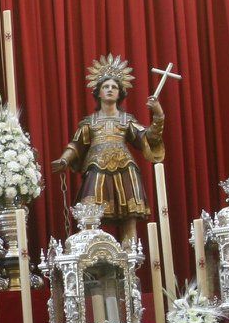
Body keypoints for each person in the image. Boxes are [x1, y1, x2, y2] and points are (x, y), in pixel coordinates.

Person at [51, 54, 165, 243]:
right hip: (96, 169)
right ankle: (97, 262)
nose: (110, 90)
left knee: (129, 218)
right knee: (91, 217)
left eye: (114, 87)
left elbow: (149, 137)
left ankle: (129, 263)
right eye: (106, 87)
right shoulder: (90, 122)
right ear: (98, 92)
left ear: (120, 92)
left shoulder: (126, 120)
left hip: (125, 170)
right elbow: (76, 144)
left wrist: (158, 114)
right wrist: (64, 159)